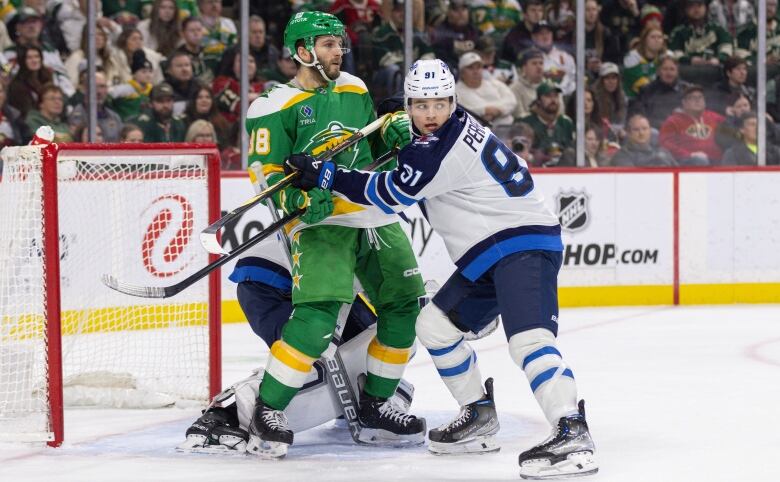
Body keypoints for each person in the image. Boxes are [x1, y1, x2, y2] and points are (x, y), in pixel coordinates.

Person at [286, 58, 598, 479]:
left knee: (528, 341)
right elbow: (414, 153)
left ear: (454, 101)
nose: (430, 114)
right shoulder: (453, 127)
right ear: (410, 106)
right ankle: (478, 413)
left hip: (521, 243)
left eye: (439, 104)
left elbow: (388, 193)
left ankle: (571, 430)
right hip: (489, 252)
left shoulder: (436, 149)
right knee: (434, 325)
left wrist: (327, 175)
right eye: (420, 105)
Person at [241, 11, 426, 458]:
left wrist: (395, 133)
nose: (338, 51)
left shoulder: (354, 88)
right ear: (302, 51)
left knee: (405, 306)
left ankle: (377, 405)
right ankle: (268, 411)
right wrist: (297, 202)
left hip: (370, 212)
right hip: (321, 222)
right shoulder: (270, 106)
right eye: (327, 45)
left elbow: (368, 149)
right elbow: (265, 175)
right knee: (317, 321)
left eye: (339, 44)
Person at [659, 84, 725, 165]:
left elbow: (730, 129)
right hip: (689, 162)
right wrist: (689, 154)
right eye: (692, 98)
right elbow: (665, 144)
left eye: (700, 97)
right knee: (700, 161)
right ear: (684, 102)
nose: (697, 100)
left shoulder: (713, 117)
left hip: (716, 161)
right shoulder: (673, 121)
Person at [455, 51, 516, 127]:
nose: (475, 71)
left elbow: (511, 101)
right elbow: (461, 114)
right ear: (462, 72)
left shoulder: (494, 83)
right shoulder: (455, 92)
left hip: (508, 127)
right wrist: (484, 111)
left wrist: (498, 111)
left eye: (479, 67)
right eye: (470, 68)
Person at [521, 81, 575, 167]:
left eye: (556, 96)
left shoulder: (566, 122)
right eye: (548, 96)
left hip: (563, 171)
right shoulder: (526, 122)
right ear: (538, 100)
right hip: (535, 170)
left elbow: (572, 150)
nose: (553, 100)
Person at [630, 55, 691, 129]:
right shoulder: (646, 90)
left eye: (672, 69)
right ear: (658, 71)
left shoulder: (688, 90)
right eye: (665, 69)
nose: (669, 73)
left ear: (677, 72)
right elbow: (639, 116)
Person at [669, 0, 733, 66]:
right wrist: (690, 60)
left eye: (699, 5)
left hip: (716, 68)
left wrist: (718, 59)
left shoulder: (718, 29)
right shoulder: (679, 32)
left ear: (706, 8)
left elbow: (727, 47)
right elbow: (674, 52)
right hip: (687, 69)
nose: (696, 9)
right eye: (691, 6)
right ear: (686, 10)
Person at [67, 71, 123, 142]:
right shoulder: (77, 115)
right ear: (85, 89)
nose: (99, 91)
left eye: (102, 86)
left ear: (107, 90)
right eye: (94, 86)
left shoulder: (114, 117)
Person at [612, 113, 677, 167]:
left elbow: (679, 173)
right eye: (636, 129)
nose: (641, 133)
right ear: (629, 133)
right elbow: (631, 179)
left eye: (645, 128)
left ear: (650, 131)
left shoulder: (663, 152)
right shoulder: (622, 156)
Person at [108, 49, 153, 122]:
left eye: (150, 71)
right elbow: (107, 98)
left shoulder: (152, 91)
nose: (148, 75)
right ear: (134, 74)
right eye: (143, 72)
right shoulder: (123, 89)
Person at [175, 16, 214, 85]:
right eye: (192, 30)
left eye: (199, 30)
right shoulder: (177, 57)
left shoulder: (211, 54)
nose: (196, 34)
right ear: (182, 34)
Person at [164, 51, 200, 117]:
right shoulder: (163, 90)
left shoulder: (200, 86)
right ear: (169, 70)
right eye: (179, 66)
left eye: (187, 65)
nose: (184, 69)